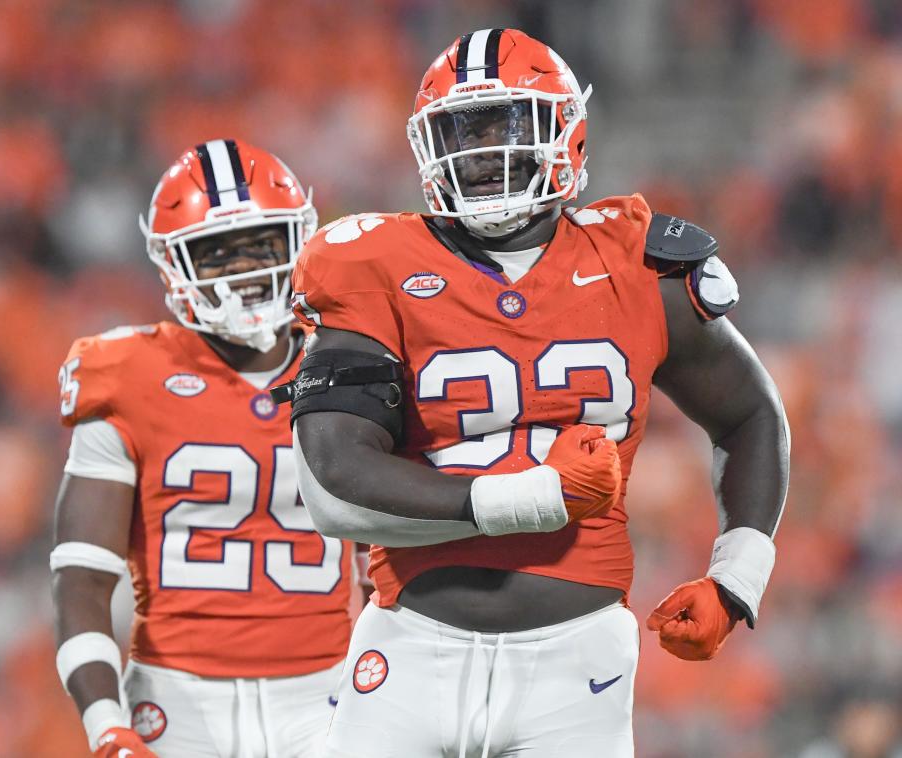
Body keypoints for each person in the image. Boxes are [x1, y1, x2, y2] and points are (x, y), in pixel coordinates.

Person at [283, 28, 789, 757]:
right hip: (411, 641)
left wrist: (736, 579)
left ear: (568, 131)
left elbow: (750, 416)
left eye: (508, 124)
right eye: (462, 130)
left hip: (579, 662)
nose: (484, 150)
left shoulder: (638, 265)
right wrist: (533, 498)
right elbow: (336, 469)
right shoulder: (374, 265)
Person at [51, 140, 355, 757]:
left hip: (327, 691)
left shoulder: (352, 360)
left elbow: (390, 565)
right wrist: (106, 723)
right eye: (216, 254)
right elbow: (81, 577)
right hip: (175, 698)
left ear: (299, 240)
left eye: (261, 245)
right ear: (173, 265)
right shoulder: (125, 372)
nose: (243, 271)